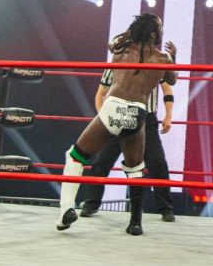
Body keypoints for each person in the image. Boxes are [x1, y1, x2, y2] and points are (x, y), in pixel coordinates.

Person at [56, 13, 177, 235]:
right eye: (159, 28)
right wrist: (173, 57)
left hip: (112, 108)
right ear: (154, 33)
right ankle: (135, 223)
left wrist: (135, 30)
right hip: (137, 113)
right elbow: (172, 79)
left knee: (76, 156)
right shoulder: (163, 59)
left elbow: (113, 43)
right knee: (135, 169)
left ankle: (66, 209)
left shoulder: (121, 49)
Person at [79, 56, 177, 222]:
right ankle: (92, 203)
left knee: (157, 164)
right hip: (117, 117)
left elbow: (168, 89)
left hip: (146, 119)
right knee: (101, 162)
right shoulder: (118, 61)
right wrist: (104, 117)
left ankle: (166, 208)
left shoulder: (156, 61)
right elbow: (101, 93)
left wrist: (168, 115)